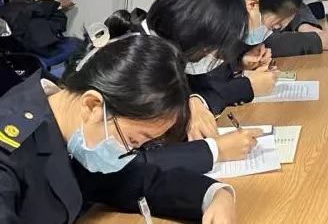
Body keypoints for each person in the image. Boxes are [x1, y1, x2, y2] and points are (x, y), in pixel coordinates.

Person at [0, 22, 236, 222]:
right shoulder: (10, 149)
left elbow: (140, 180)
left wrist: (215, 195)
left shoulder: (74, 124)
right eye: (132, 140)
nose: (128, 153)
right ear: (93, 105)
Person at [106, 0, 266, 173]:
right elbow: (122, 164)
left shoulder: (161, 51)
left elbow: (202, 88)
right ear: (196, 34)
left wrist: (194, 100)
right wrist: (215, 151)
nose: (212, 56)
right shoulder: (135, 64)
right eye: (212, 49)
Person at [194, 0, 305, 115]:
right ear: (252, 5)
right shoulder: (207, 29)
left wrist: (240, 64)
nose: (268, 33)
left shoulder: (231, 34)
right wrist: (248, 86)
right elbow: (197, 93)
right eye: (273, 26)